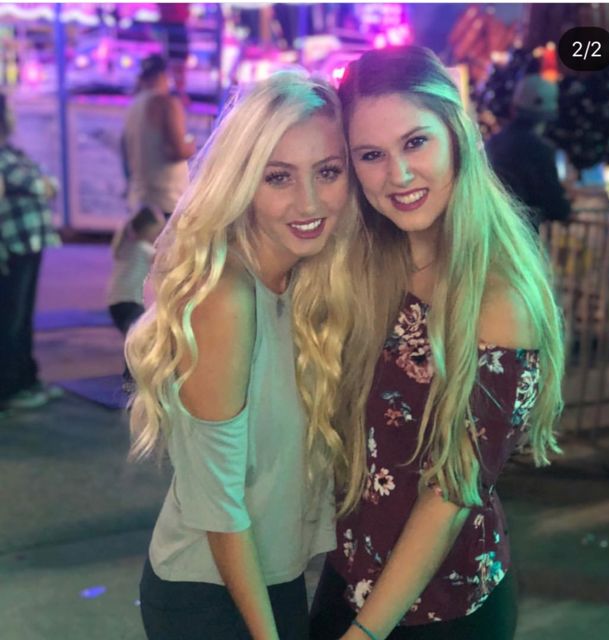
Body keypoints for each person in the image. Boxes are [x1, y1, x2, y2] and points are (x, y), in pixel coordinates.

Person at [306, 46, 565, 640]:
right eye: (371, 155)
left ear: (457, 136)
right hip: (349, 578)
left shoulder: (499, 297)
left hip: (443, 610)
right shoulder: (370, 263)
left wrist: (363, 634)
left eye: (415, 142)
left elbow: (451, 494)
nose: (397, 175)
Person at [125, 70, 357, 640]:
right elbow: (219, 508)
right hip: (211, 594)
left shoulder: (302, 280)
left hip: (272, 578)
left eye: (328, 172)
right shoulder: (228, 297)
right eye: (279, 177)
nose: (309, 201)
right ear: (243, 181)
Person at [0, 93, 62, 412]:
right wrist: (42, 184)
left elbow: (48, 181)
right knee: (12, 316)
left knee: (21, 316)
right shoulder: (5, 157)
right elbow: (40, 184)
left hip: (29, 243)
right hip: (13, 245)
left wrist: (44, 183)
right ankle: (11, 387)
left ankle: (26, 378)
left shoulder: (12, 153)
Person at [485, 73, 572, 232]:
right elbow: (556, 206)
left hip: (489, 229)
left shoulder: (494, 143)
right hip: (520, 235)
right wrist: (567, 206)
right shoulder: (540, 150)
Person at [123, 54, 195, 220]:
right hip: (168, 200)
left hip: (141, 199)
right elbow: (179, 151)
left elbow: (126, 154)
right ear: (163, 76)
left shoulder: (133, 107)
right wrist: (191, 143)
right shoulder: (166, 104)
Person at [106, 205, 165, 336]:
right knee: (143, 338)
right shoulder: (143, 249)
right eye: (157, 232)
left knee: (134, 338)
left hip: (115, 303)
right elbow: (165, 262)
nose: (158, 237)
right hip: (130, 302)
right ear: (147, 230)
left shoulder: (126, 246)